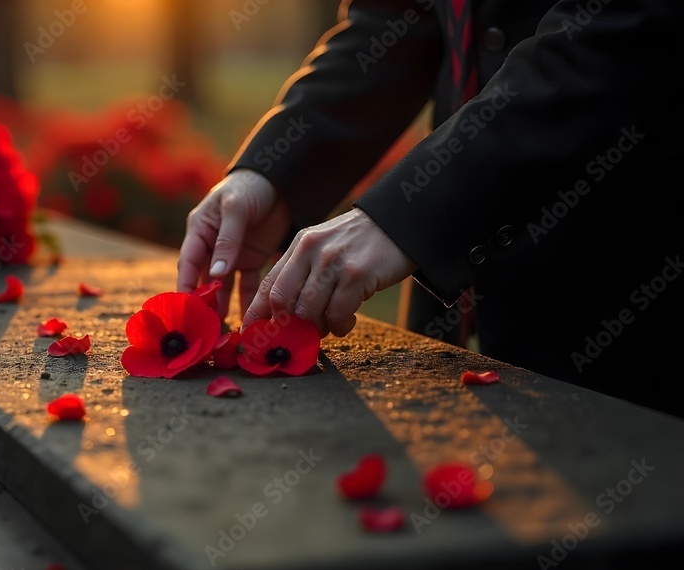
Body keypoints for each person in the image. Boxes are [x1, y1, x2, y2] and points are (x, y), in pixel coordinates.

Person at [177, 0, 684, 418]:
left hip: (622, 306)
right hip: (455, 317)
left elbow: (622, 35)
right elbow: (397, 21)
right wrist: (270, 170)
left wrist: (407, 214)